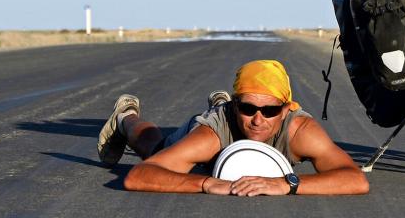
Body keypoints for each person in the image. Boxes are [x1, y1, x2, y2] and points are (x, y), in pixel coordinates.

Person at [97, 59, 369, 196]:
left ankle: (224, 100)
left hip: (236, 124)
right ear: (237, 108)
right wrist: (205, 183)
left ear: (286, 109)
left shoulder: (299, 130)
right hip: (218, 130)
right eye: (248, 108)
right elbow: (138, 176)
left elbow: (355, 179)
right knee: (154, 147)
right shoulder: (212, 134)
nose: (258, 119)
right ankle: (125, 117)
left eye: (270, 110)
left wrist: (288, 184)